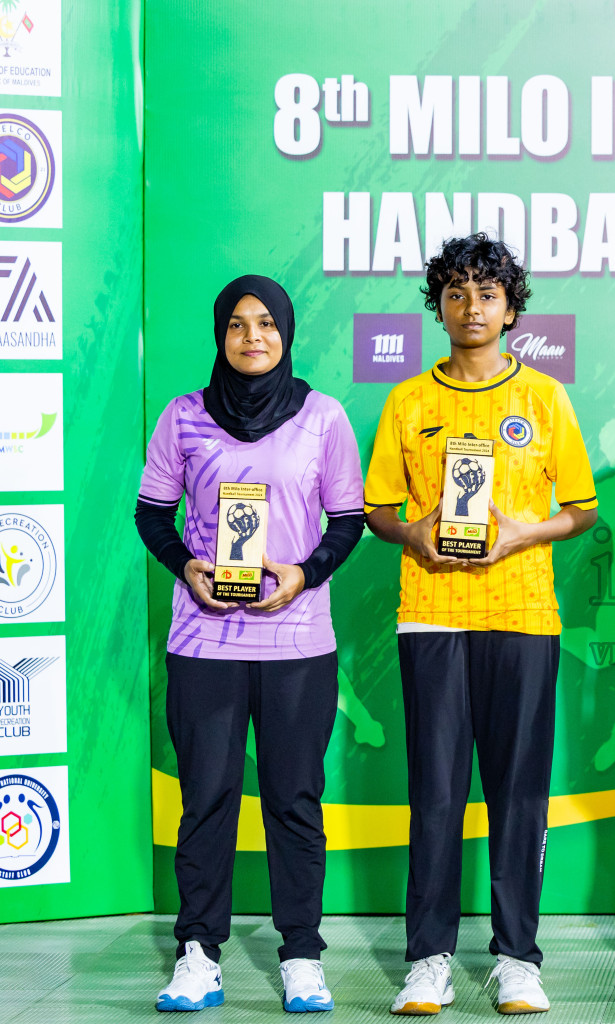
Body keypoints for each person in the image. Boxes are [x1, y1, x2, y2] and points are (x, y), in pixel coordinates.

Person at [363, 233, 598, 1016]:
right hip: (430, 617)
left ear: (512, 308)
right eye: (456, 293)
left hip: (525, 617)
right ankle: (427, 957)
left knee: (519, 793)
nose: (472, 307)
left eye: (487, 293)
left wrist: (521, 532)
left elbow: (581, 511)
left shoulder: (544, 397)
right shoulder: (409, 401)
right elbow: (377, 511)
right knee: (434, 791)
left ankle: (517, 957)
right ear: (438, 306)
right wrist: (415, 531)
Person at [136, 275, 365, 1013]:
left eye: (266, 323)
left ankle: (301, 953)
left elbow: (348, 519)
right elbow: (152, 515)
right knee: (206, 799)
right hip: (204, 641)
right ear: (220, 335)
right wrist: (188, 568)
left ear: (287, 332)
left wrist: (302, 574)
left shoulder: (324, 417)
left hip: (298, 644)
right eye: (237, 325)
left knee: (295, 800)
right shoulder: (184, 415)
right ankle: (199, 951)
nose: (253, 337)